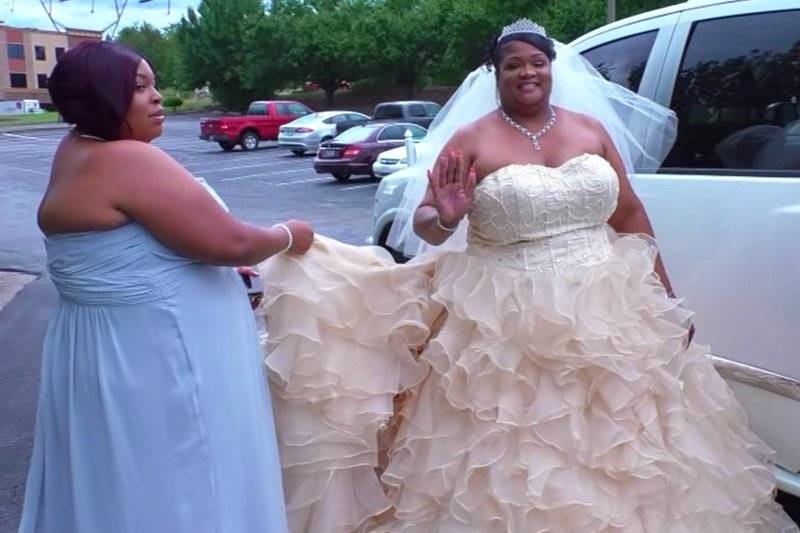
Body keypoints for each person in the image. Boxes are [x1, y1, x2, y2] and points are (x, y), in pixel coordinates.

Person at [257, 20, 798, 532]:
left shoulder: (590, 130)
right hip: (504, 315)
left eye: (536, 61)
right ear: (495, 72)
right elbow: (429, 223)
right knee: (520, 443)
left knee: (625, 434)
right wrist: (445, 213)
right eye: (513, 64)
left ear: (551, 66)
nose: (527, 72)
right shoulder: (470, 139)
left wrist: (665, 294)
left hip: (609, 304)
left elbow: (629, 215)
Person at [19, 40, 313, 532]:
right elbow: (234, 242)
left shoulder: (75, 149)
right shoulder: (128, 159)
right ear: (101, 95)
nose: (157, 98)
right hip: (157, 359)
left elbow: (138, 246)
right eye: (139, 87)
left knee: (123, 483)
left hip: (104, 350)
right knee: (187, 480)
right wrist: (289, 234)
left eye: (154, 84)